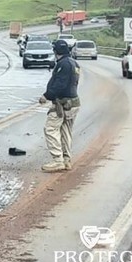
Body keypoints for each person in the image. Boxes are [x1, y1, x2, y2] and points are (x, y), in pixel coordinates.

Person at [38, 39, 81, 172]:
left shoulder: (63, 64)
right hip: (73, 103)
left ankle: (58, 160)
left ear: (56, 51)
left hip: (63, 104)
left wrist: (47, 96)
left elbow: (60, 84)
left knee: (50, 129)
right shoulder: (74, 63)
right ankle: (66, 160)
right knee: (65, 131)